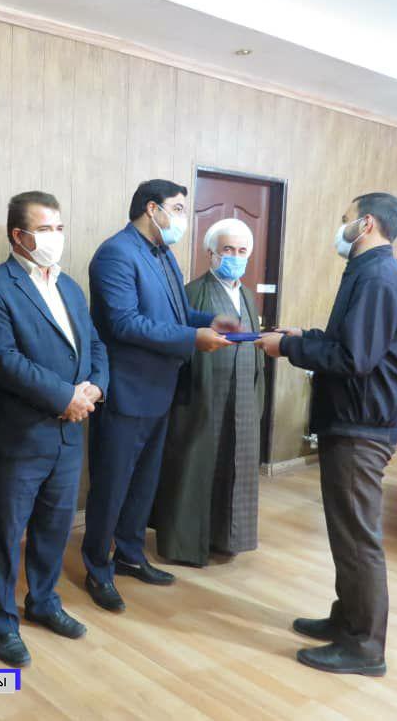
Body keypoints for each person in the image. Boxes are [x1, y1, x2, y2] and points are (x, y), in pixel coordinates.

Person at [256, 192, 397, 677]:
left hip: (362, 426)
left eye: (344, 219)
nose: (339, 227)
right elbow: (347, 341)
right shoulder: (365, 271)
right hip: (352, 419)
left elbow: (353, 359)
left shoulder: (379, 278)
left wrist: (288, 349)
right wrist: (301, 338)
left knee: (357, 538)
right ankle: (346, 620)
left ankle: (365, 647)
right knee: (346, 533)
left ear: (365, 224)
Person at [0, 191, 109, 667]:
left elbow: (94, 345)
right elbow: (2, 361)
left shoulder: (70, 287)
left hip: (69, 432)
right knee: (5, 534)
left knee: (54, 526)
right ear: (19, 235)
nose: (55, 237)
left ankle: (43, 601)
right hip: (19, 436)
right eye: (45, 229)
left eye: (59, 228)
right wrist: (65, 396)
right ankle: (0, 623)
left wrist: (95, 389)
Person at [83, 179, 238, 612]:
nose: (183, 218)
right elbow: (124, 323)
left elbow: (177, 313)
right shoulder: (115, 254)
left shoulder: (164, 254)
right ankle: (98, 568)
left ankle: (130, 554)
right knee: (112, 485)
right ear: (153, 209)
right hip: (126, 390)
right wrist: (192, 338)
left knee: (144, 482)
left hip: (161, 388)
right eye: (179, 209)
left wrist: (209, 321)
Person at [153, 218, 265, 566]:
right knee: (195, 466)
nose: (235, 257)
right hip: (201, 394)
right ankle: (186, 544)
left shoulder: (247, 296)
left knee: (234, 464)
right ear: (210, 253)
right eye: (227, 249)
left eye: (242, 251)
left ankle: (225, 537)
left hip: (241, 394)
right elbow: (175, 342)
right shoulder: (192, 293)